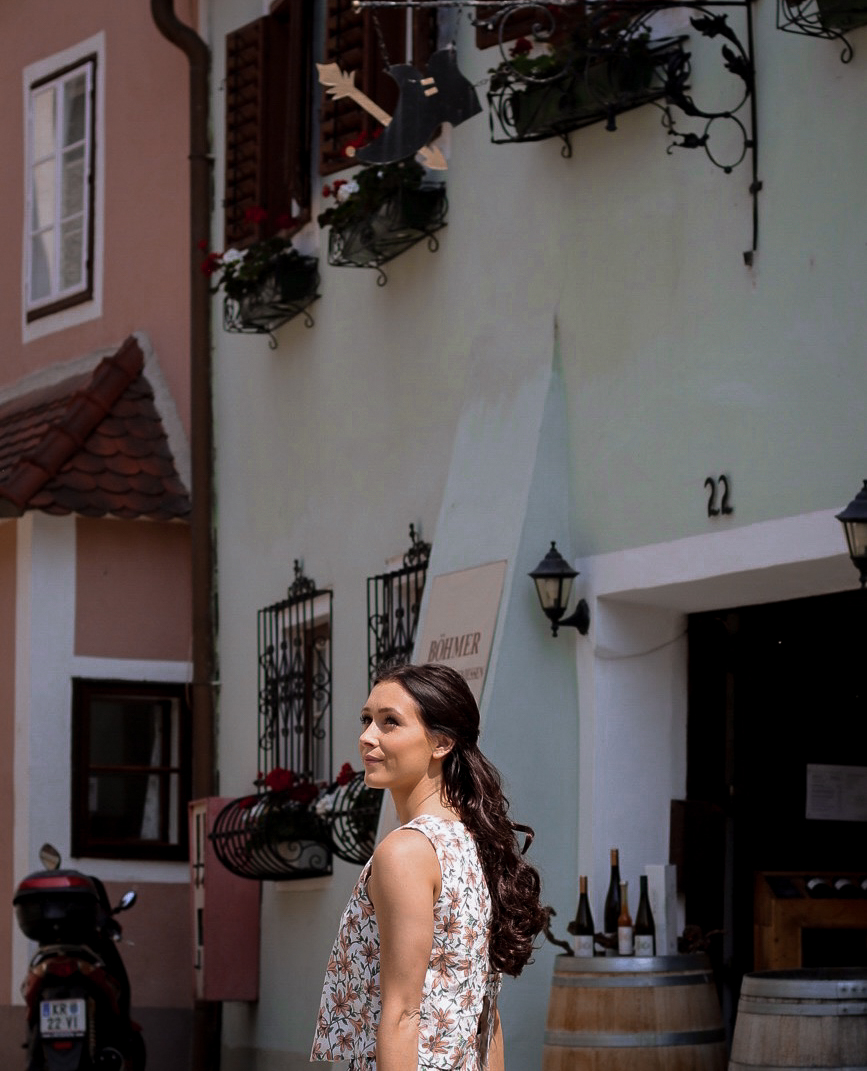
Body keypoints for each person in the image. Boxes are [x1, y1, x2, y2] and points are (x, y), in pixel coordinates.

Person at [311, 662, 546, 1071]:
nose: (368, 737)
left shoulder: (407, 852)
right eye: (367, 719)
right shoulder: (476, 845)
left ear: (440, 743)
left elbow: (403, 1013)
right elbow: (487, 1020)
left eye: (390, 723)